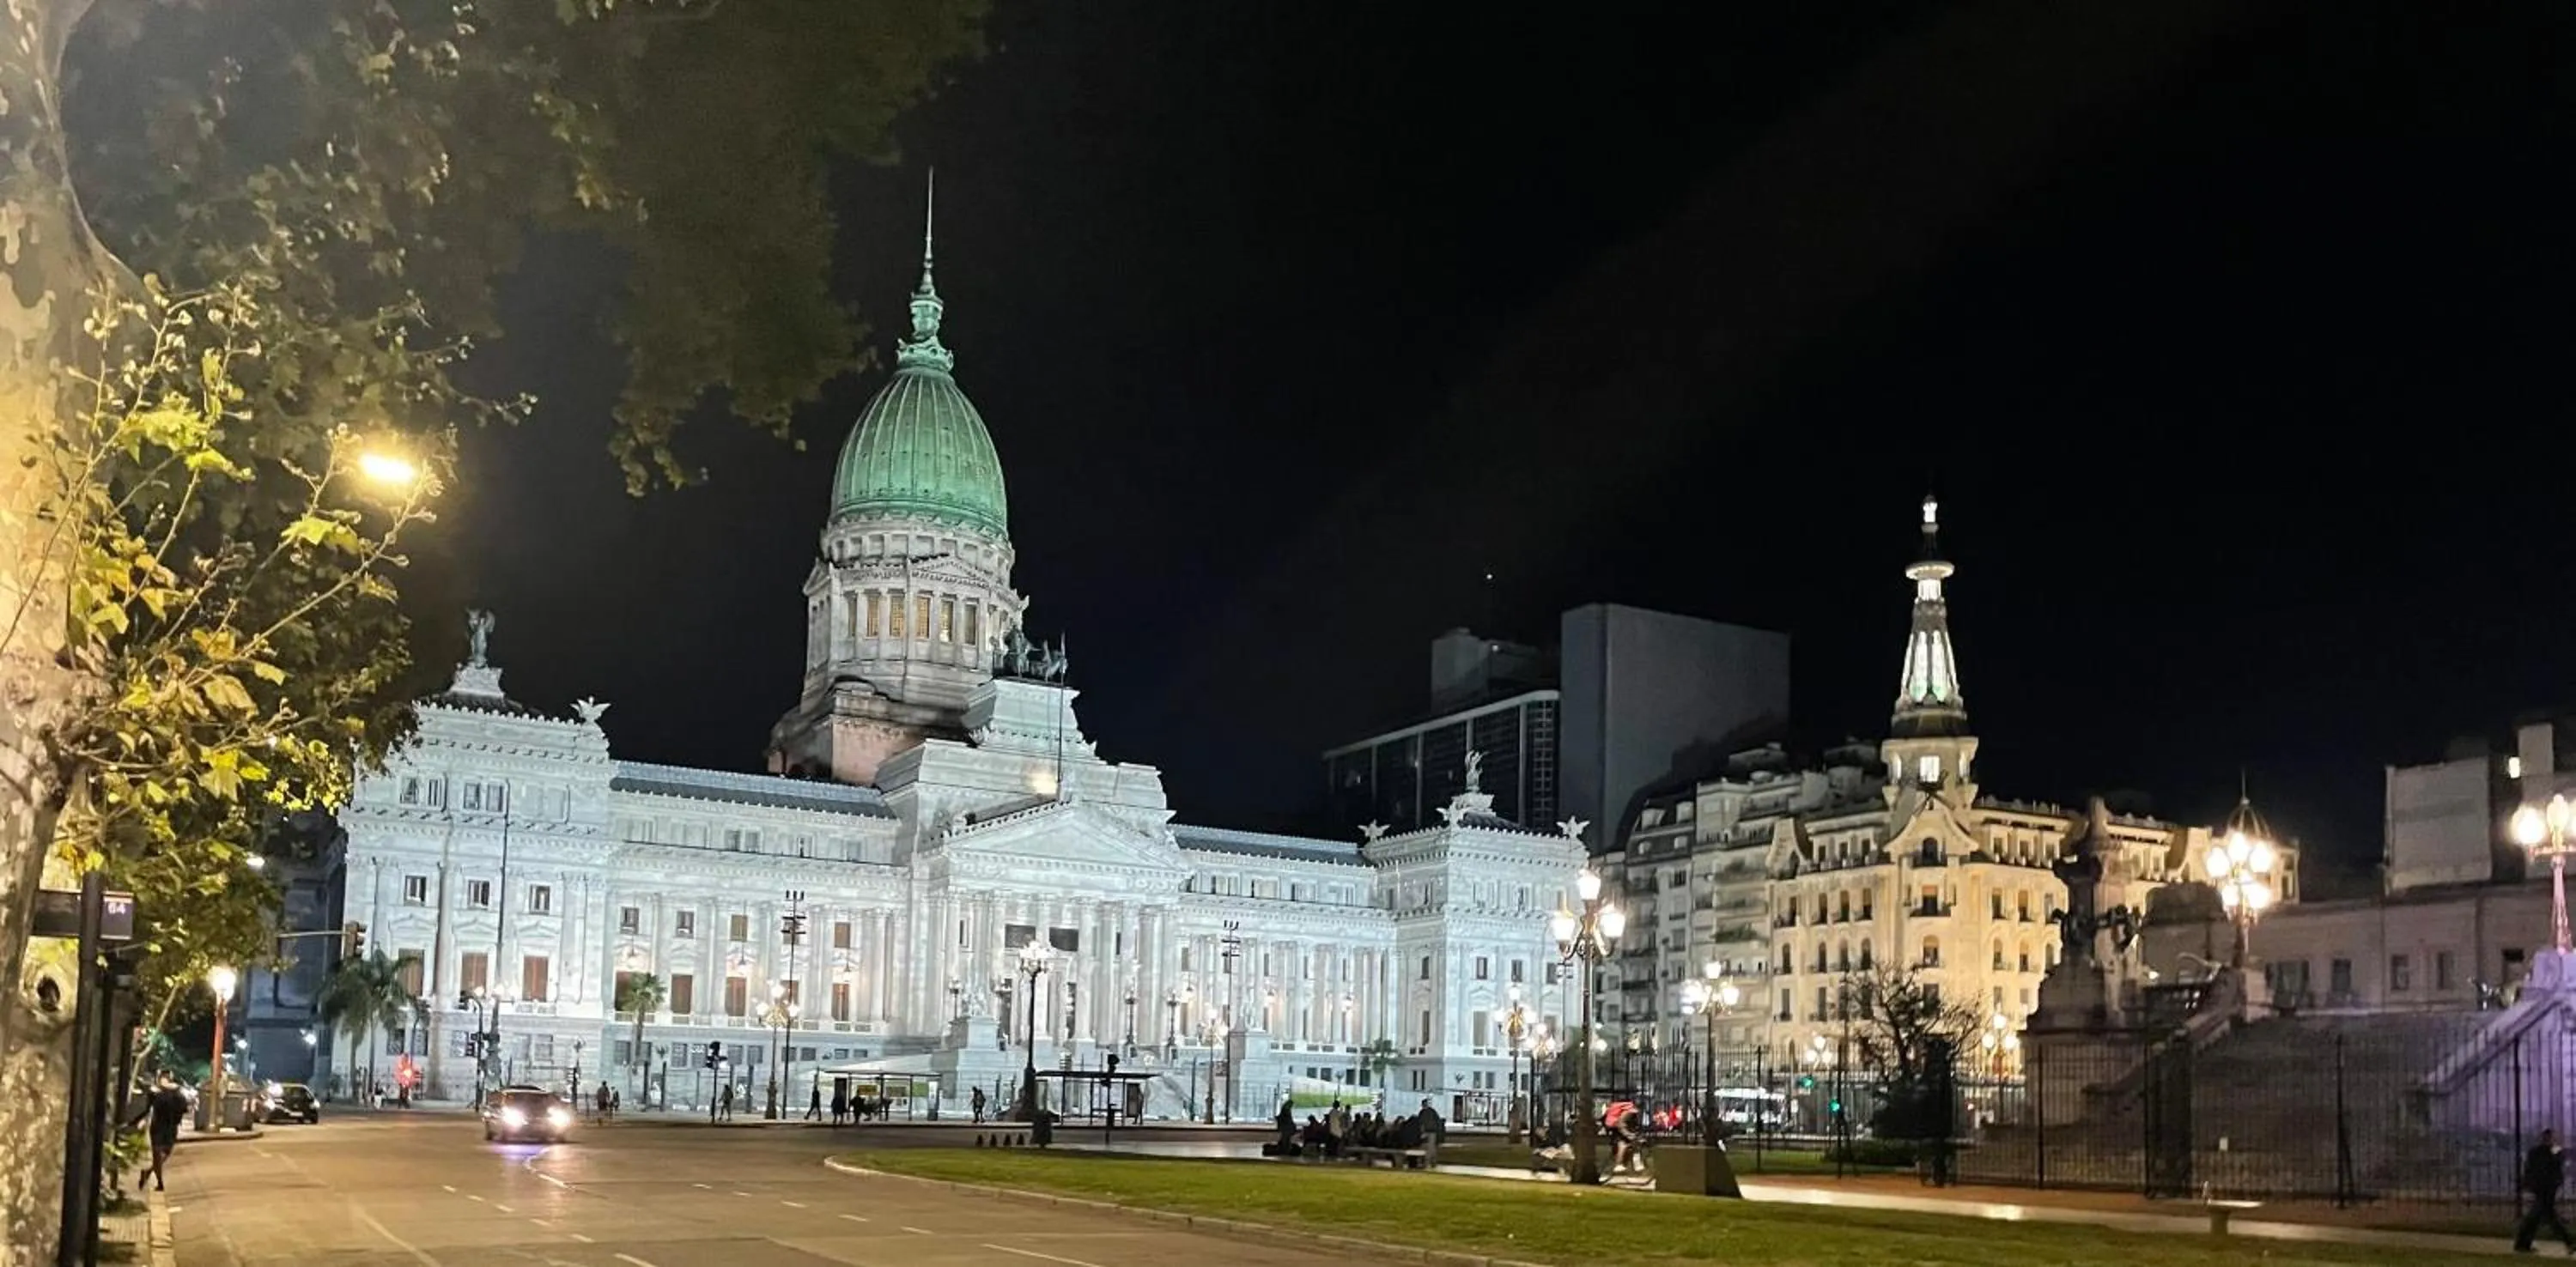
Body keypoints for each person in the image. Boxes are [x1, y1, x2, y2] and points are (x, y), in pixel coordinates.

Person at [126, 1071, 190, 1193]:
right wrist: (135, 1121)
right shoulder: (157, 1093)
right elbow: (147, 1109)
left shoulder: (176, 1093)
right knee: (158, 1155)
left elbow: (183, 1109)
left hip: (169, 1127)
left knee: (164, 1154)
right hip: (159, 1127)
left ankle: (147, 1172)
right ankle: (160, 1183)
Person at [2519, 1127, 2576, 1253]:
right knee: (2548, 1217)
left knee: (2535, 1217)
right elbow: (2557, 1164)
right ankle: (2569, 1242)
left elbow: (2530, 1170)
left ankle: (2522, 1244)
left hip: (2542, 1189)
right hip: (2546, 1190)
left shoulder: (2537, 1152)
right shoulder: (2549, 1152)